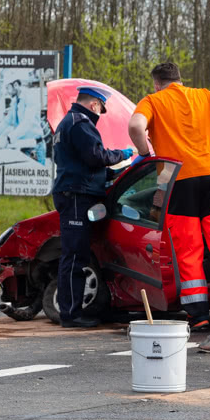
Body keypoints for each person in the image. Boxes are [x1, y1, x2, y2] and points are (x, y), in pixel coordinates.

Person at [128, 63, 210, 330]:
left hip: (175, 180)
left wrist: (144, 152)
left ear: (157, 84)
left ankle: (199, 316)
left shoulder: (153, 101)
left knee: (188, 248)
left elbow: (136, 126)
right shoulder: (205, 96)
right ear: (180, 80)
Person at [52, 86, 133, 328]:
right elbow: (96, 156)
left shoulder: (70, 122)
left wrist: (109, 174)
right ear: (95, 104)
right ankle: (70, 314)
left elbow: (85, 164)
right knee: (75, 255)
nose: (100, 114)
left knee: (77, 254)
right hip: (77, 195)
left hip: (77, 192)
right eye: (101, 109)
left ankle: (75, 309)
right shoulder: (80, 123)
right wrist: (125, 154)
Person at [0, 78, 47, 165]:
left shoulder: (30, 97)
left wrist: (8, 139)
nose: (6, 92)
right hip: (24, 146)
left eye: (7, 88)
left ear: (16, 85)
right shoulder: (15, 101)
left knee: (37, 176)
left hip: (35, 146)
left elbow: (26, 123)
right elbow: (6, 122)